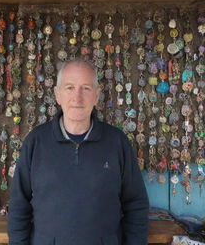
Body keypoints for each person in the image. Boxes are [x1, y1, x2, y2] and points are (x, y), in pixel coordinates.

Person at [8, 59, 149, 245]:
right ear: (57, 95)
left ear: (97, 95)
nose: (77, 97)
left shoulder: (117, 142)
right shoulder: (36, 142)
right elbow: (19, 205)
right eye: (69, 88)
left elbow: (136, 205)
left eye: (86, 88)